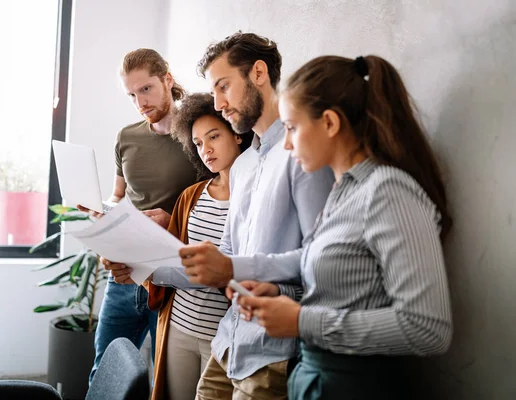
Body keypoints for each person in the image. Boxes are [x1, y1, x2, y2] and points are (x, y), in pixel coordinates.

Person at [233, 55, 453, 399]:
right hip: (319, 378)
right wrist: (274, 292)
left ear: (331, 123)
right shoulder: (343, 190)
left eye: (292, 127)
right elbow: (323, 264)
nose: (287, 144)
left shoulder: (387, 192)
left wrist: (302, 321)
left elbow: (428, 328)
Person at [174, 32, 335, 399]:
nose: (218, 103)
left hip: (272, 353)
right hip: (228, 341)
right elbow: (230, 252)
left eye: (223, 87)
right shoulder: (243, 165)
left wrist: (244, 274)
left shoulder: (302, 155)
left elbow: (322, 257)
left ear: (258, 73)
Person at [122, 92, 251, 400]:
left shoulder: (252, 199)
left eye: (214, 136)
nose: (206, 149)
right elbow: (177, 257)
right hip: (178, 327)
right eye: (197, 143)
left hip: (222, 335)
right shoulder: (191, 195)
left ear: (238, 135)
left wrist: (148, 269)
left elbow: (231, 270)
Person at [84, 48, 199, 384]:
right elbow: (119, 196)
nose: (140, 103)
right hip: (123, 275)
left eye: (146, 89)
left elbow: (214, 206)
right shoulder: (127, 137)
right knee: (103, 373)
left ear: (168, 80)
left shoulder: (197, 138)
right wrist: (100, 212)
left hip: (170, 280)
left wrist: (173, 220)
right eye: (131, 95)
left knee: (160, 382)